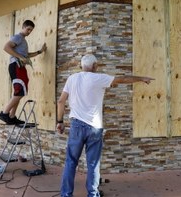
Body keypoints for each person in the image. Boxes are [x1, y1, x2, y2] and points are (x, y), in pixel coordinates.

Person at [56, 54, 154, 197]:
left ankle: (66, 194)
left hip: (76, 126)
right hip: (94, 128)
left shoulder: (72, 78)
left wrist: (60, 122)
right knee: (93, 164)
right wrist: (142, 78)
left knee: (71, 162)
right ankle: (93, 194)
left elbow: (60, 101)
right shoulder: (99, 78)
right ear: (95, 66)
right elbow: (123, 79)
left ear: (81, 66)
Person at [0, 20, 47, 125]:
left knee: (19, 92)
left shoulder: (23, 40)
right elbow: (6, 47)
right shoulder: (18, 37)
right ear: (23, 27)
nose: (29, 32)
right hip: (16, 66)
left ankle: (12, 116)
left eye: (31, 30)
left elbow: (26, 55)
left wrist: (39, 52)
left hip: (19, 67)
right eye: (28, 29)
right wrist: (20, 57)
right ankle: (4, 113)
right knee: (20, 91)